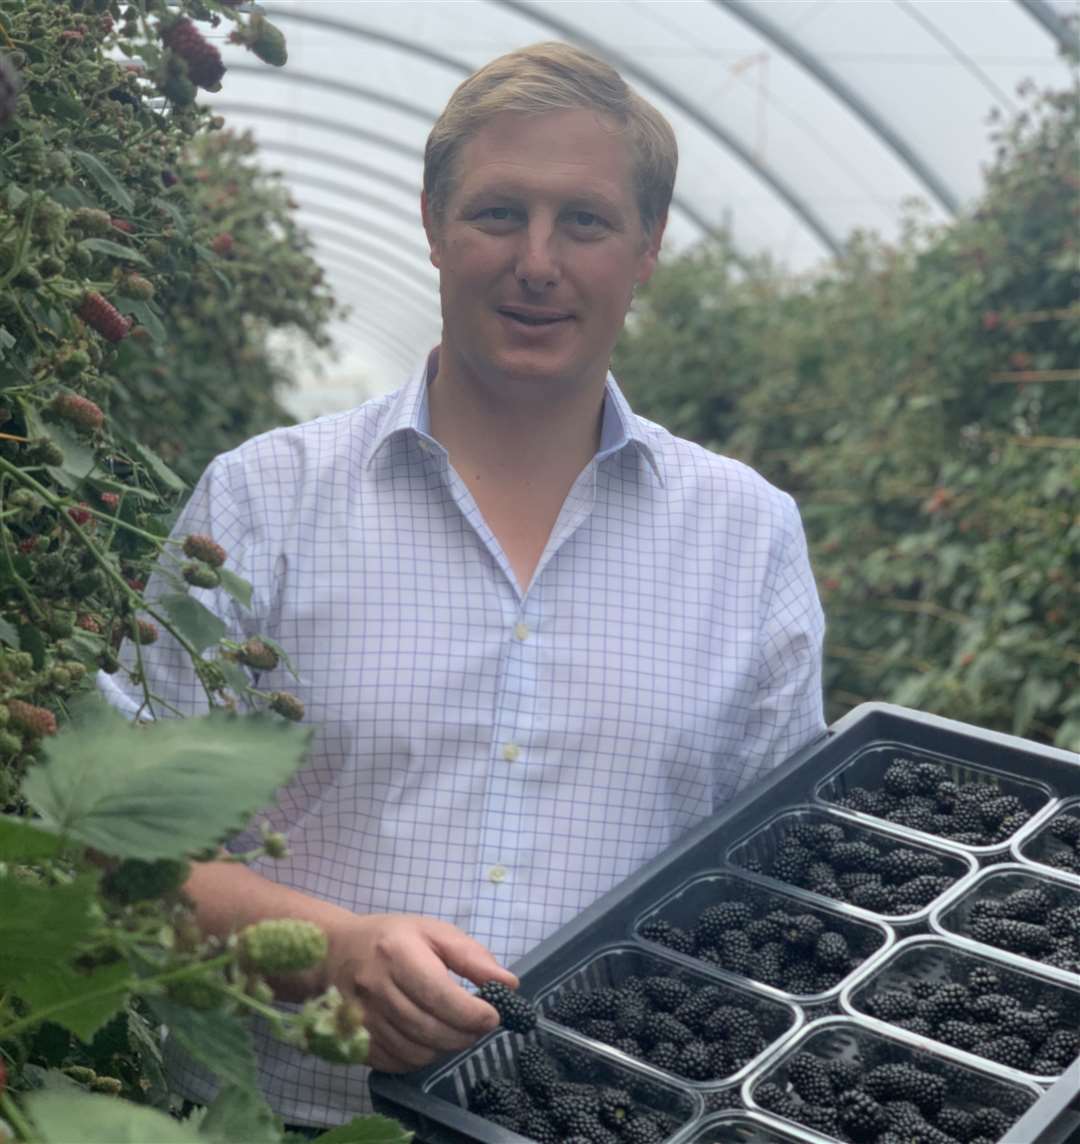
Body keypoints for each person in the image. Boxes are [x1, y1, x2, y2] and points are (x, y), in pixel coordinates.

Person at [102, 41, 825, 1130]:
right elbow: (122, 841)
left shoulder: (748, 537)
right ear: (434, 227)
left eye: (584, 221)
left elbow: (779, 893)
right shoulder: (262, 501)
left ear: (647, 250)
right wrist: (323, 952)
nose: (538, 261)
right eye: (499, 214)